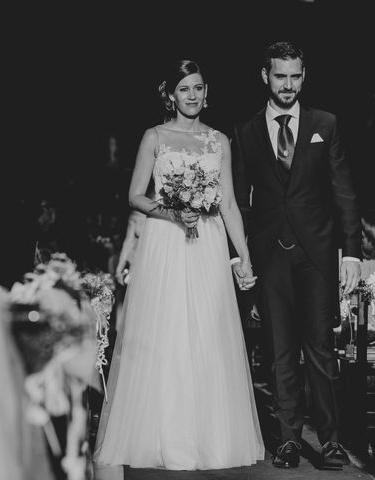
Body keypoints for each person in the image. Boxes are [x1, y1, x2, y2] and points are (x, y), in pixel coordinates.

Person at [93, 59, 265, 473]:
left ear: (208, 93)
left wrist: (242, 257)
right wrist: (171, 212)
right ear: (170, 94)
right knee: (164, 332)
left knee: (208, 334)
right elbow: (135, 195)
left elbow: (227, 204)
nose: (192, 95)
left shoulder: (219, 141)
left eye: (199, 88)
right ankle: (161, 434)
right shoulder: (155, 137)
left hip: (206, 244)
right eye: (184, 88)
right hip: (166, 244)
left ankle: (209, 438)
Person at [230, 40, 362, 470]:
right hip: (270, 256)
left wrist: (352, 254)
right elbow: (241, 203)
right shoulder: (246, 131)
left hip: (318, 254)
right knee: (279, 350)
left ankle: (329, 441)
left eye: (295, 76)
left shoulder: (327, 123)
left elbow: (344, 192)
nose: (288, 85)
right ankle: (288, 440)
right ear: (265, 76)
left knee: (321, 350)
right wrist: (241, 256)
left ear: (304, 76)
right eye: (280, 76)